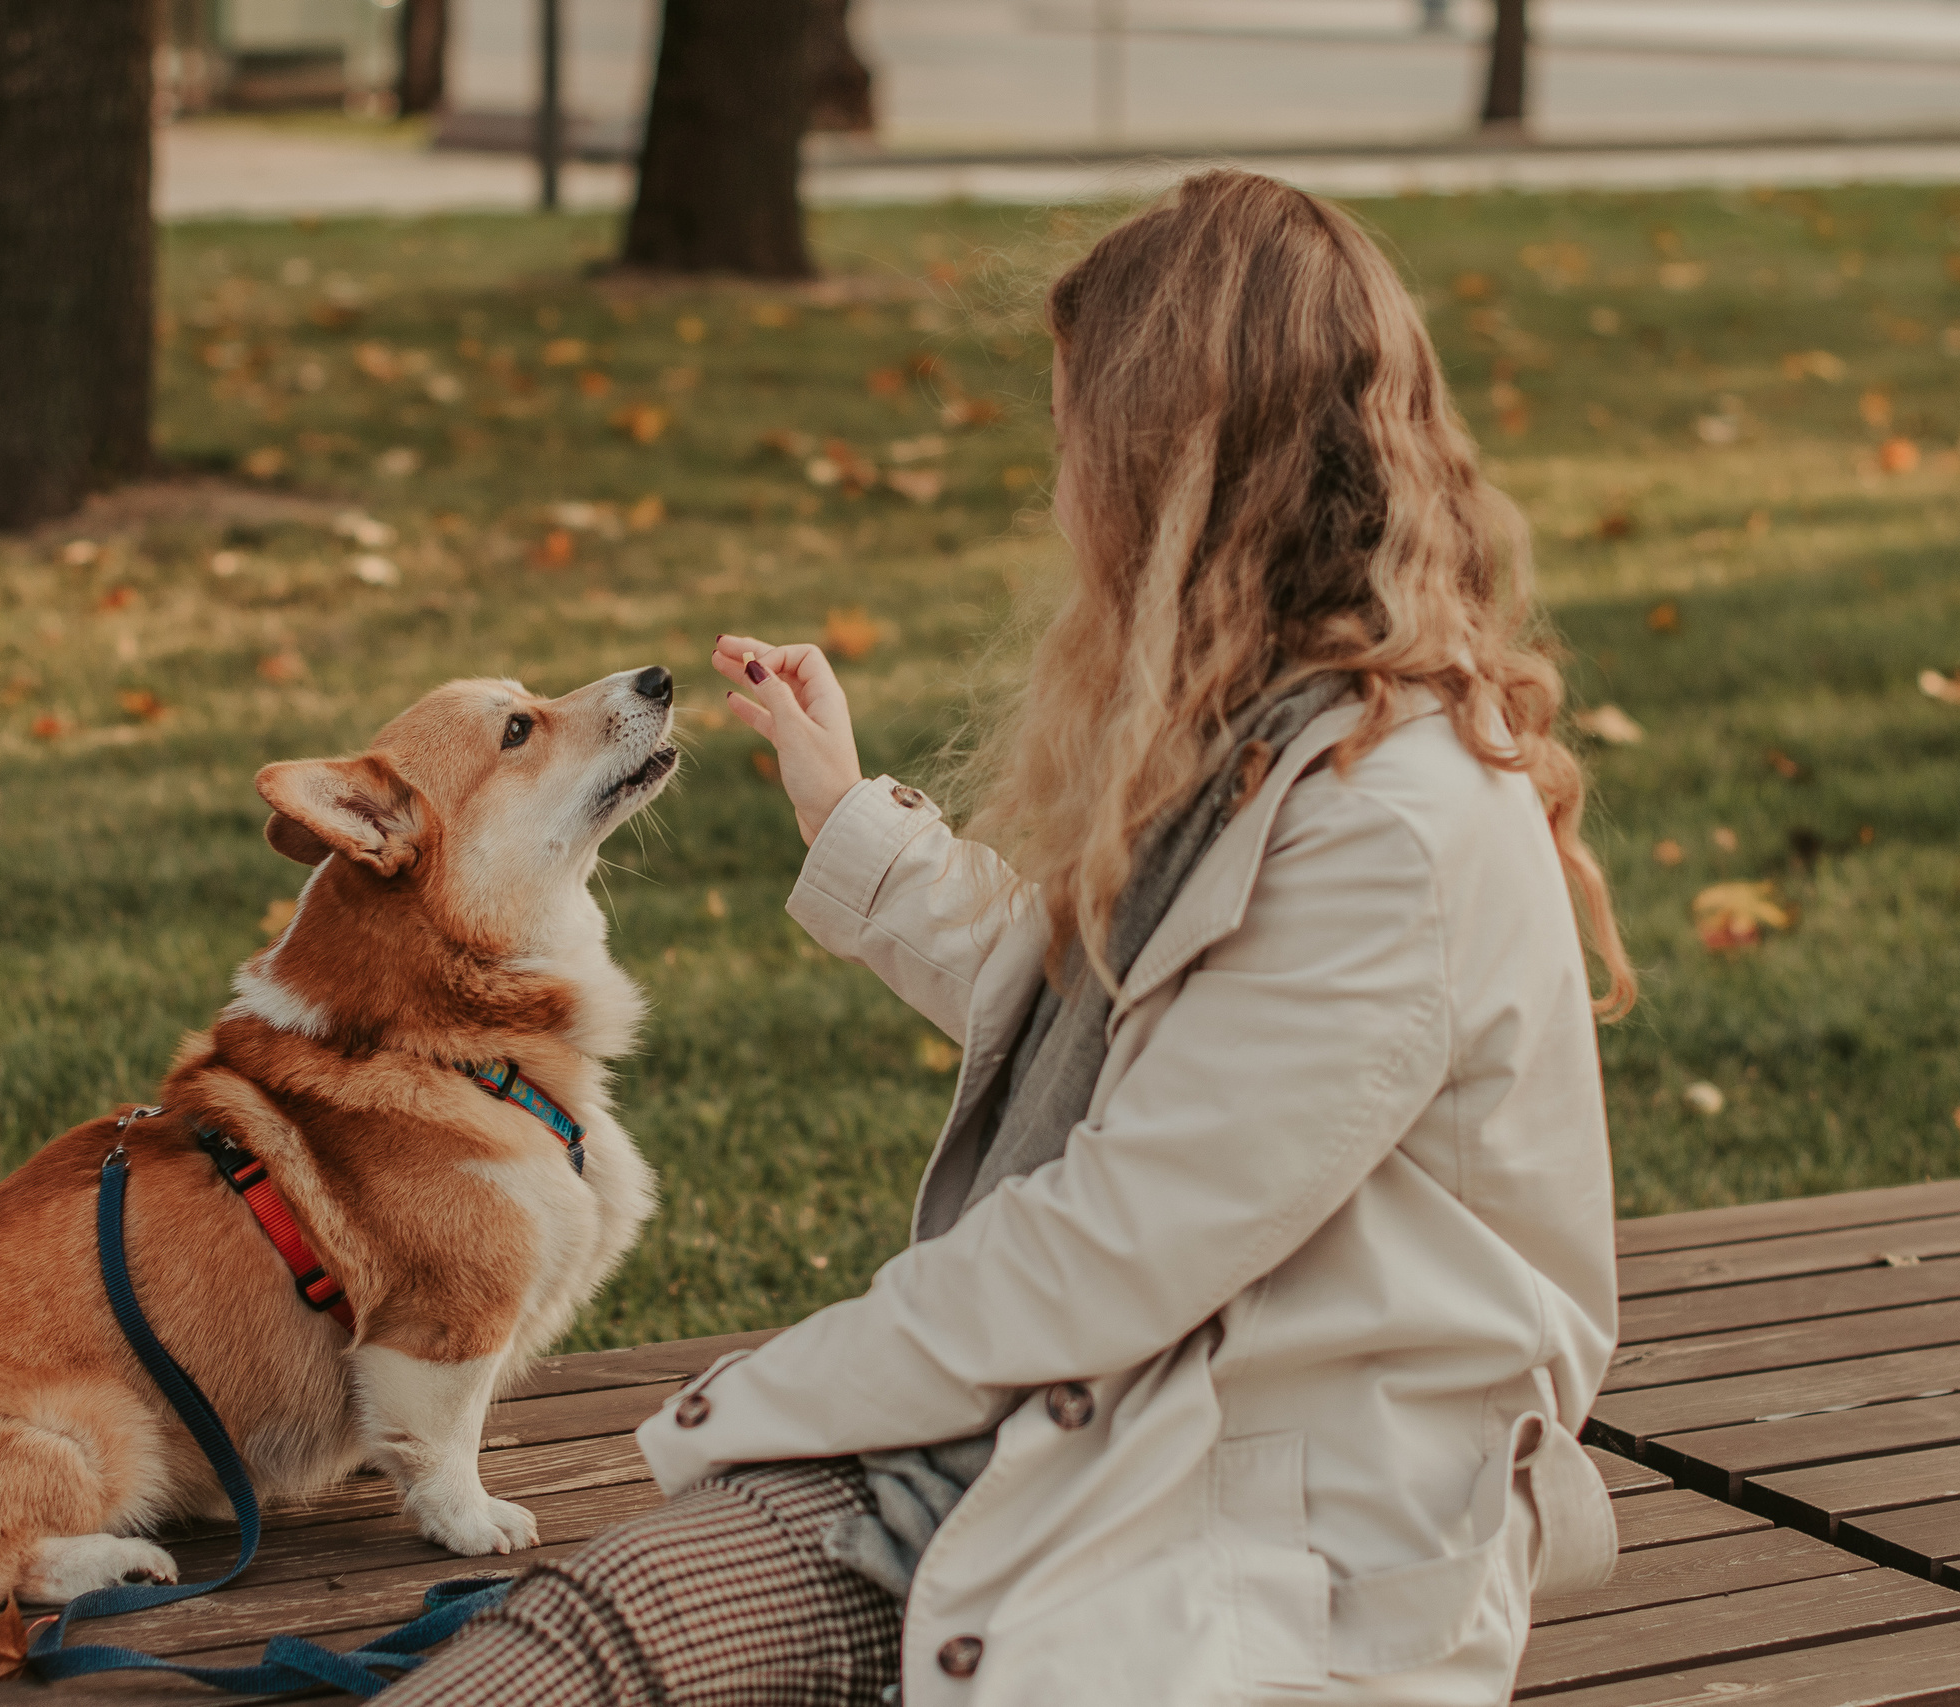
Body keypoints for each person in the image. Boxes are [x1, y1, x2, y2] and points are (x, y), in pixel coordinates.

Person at [379, 167, 1633, 1707]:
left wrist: (743, 1406)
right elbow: (1111, 1029)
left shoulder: (1384, 821)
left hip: (1243, 1545)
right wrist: (850, 819)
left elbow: (1114, 1243)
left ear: (1166, 471)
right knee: (585, 1640)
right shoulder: (1287, 732)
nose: (1060, 492)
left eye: (1075, 442)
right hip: (1100, 1430)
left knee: (594, 1650)